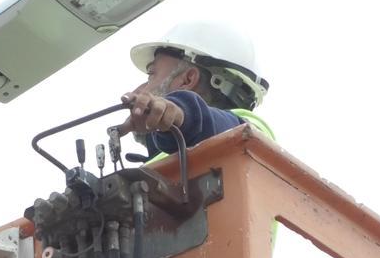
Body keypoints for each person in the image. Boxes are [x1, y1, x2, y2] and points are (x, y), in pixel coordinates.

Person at [117, 21, 274, 163]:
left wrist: (183, 113)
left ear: (187, 80)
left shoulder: (254, 133)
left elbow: (237, 131)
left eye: (152, 74)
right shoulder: (165, 160)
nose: (138, 90)